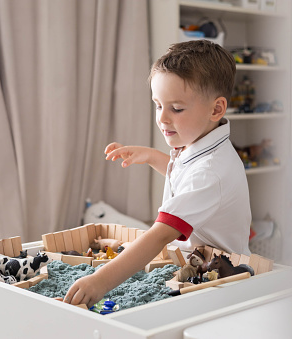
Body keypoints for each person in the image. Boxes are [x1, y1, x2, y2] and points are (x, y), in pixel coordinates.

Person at [64, 40, 251, 308]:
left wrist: (99, 282)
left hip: (220, 279)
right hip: (193, 264)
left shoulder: (211, 171)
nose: (163, 118)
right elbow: (186, 180)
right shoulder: (200, 145)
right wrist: (152, 156)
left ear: (216, 109)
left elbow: (162, 233)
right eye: (157, 105)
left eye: (176, 108)